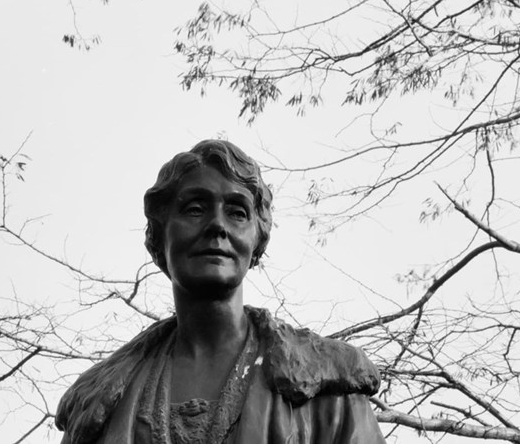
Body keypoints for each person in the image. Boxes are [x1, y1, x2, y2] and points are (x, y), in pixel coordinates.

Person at [55, 140, 386, 443]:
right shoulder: (99, 405)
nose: (217, 225)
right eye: (195, 209)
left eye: (237, 212)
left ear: (257, 238)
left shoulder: (328, 388)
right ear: (160, 234)